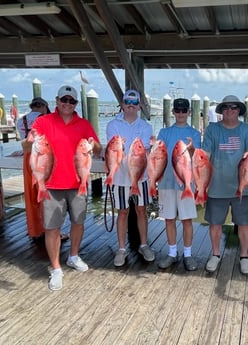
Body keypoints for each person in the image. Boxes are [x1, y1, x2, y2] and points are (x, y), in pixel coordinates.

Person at [31, 85, 102, 291]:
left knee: (78, 222)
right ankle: (55, 268)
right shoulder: (43, 122)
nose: (67, 104)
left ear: (76, 104)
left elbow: (97, 149)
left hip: (78, 183)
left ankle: (74, 255)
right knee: (52, 227)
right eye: (64, 99)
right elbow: (28, 146)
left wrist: (92, 145)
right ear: (57, 100)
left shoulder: (84, 124)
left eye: (72, 101)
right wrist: (29, 143)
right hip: (50, 185)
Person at [202, 95, 248, 274]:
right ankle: (216, 254)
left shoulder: (247, 129)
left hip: (242, 186)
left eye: (234, 107)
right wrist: (196, 157)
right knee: (215, 223)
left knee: (243, 223)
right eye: (226, 107)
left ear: (239, 110)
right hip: (216, 186)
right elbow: (206, 153)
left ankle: (244, 256)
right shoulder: (212, 129)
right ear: (221, 110)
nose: (230, 110)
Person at [107, 89, 155, 267]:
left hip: (140, 177)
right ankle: (121, 249)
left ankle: (144, 244)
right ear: (122, 104)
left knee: (142, 210)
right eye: (128, 102)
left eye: (135, 103)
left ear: (139, 106)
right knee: (123, 212)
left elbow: (143, 152)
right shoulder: (112, 125)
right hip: (119, 178)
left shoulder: (145, 126)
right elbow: (114, 149)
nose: (131, 106)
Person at [157, 98, 201, 271]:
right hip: (166, 182)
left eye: (184, 110)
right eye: (178, 110)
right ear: (173, 112)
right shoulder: (164, 132)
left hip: (186, 183)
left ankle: (188, 255)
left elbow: (197, 155)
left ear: (189, 112)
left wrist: (191, 149)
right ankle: (172, 252)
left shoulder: (195, 133)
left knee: (187, 220)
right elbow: (158, 154)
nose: (181, 113)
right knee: (168, 219)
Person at [16, 97, 51, 240]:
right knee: (48, 197)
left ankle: (34, 230)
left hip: (28, 158)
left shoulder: (20, 121)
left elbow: (24, 142)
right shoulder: (47, 119)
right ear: (43, 106)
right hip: (44, 155)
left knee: (31, 197)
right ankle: (50, 231)